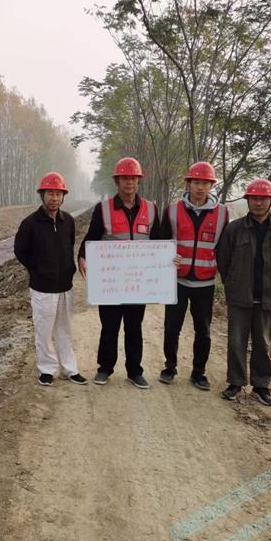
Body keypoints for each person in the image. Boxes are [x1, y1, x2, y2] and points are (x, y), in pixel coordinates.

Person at [78, 157, 159, 389]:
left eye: (133, 178)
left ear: (138, 181)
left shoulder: (151, 209)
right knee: (110, 326)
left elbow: (160, 241)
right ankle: (105, 368)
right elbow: (91, 238)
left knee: (134, 327)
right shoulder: (103, 209)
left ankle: (134, 371)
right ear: (117, 181)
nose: (129, 182)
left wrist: (169, 259)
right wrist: (82, 256)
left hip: (138, 282)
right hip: (111, 282)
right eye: (124, 178)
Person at [216, 178, 271, 406]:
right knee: (236, 341)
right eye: (254, 199)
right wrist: (233, 283)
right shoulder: (234, 229)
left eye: (263, 199)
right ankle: (235, 383)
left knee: (263, 343)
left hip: (268, 297)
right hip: (240, 296)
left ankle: (261, 385)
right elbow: (223, 260)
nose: (259, 203)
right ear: (248, 201)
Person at [158, 162, 229, 390]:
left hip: (205, 284)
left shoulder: (222, 213)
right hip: (177, 281)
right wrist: (167, 257)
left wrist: (225, 277)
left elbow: (225, 248)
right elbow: (161, 243)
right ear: (188, 183)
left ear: (211, 186)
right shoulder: (172, 210)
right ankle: (170, 367)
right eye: (196, 182)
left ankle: (199, 372)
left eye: (205, 183)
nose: (200, 187)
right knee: (172, 328)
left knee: (203, 331)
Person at [14, 171, 86, 387]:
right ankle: (46, 370)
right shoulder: (30, 223)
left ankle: (69, 369)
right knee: (44, 331)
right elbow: (20, 251)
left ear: (63, 196)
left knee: (65, 330)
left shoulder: (68, 221)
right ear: (42, 195)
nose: (54, 198)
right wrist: (38, 269)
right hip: (42, 288)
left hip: (65, 286)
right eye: (50, 193)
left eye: (58, 194)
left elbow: (69, 245)